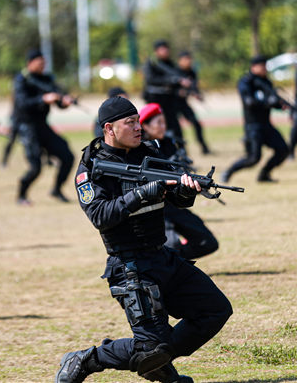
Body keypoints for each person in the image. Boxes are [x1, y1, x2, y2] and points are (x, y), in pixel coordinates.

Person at [55, 97, 231, 383]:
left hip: (163, 256)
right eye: (131, 123)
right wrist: (140, 194)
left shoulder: (149, 152)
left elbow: (177, 198)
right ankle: (89, 358)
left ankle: (156, 362)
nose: (140, 127)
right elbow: (100, 215)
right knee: (151, 346)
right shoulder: (92, 167)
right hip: (130, 267)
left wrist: (187, 191)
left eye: (139, 121)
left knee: (215, 309)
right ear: (109, 129)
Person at [139, 102, 218, 260]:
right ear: (145, 126)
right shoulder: (139, 149)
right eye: (158, 123)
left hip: (175, 205)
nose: (163, 126)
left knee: (208, 242)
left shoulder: (169, 143)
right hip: (156, 209)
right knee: (171, 245)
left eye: (164, 122)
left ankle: (173, 262)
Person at [12, 49, 76, 205]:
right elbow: (22, 103)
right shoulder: (22, 80)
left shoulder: (47, 79)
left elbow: (58, 98)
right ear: (30, 63)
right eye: (39, 63)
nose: (42, 66)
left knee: (67, 156)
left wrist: (64, 102)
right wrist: (42, 99)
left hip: (43, 127)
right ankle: (21, 195)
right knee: (36, 167)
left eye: (44, 63)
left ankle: (56, 189)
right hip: (28, 128)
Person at [222, 55, 290, 184]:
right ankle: (229, 171)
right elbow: (249, 102)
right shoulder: (246, 82)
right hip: (253, 127)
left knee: (283, 150)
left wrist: (280, 105)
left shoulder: (266, 82)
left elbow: (273, 100)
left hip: (267, 125)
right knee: (253, 158)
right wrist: (267, 102)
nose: (264, 68)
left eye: (265, 65)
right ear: (254, 67)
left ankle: (264, 174)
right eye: (262, 65)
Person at [143, 40, 192, 141]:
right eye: (162, 49)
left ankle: (181, 151)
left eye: (166, 49)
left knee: (175, 128)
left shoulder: (170, 64)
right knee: (156, 128)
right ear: (156, 51)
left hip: (169, 101)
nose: (165, 51)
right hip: (155, 100)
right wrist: (172, 80)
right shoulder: (152, 63)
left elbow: (177, 80)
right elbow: (151, 79)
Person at [175, 52, 210, 154]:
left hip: (183, 104)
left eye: (189, 59)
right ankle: (182, 151)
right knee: (177, 129)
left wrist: (198, 95)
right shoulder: (175, 71)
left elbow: (194, 88)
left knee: (196, 124)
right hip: (172, 104)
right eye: (186, 59)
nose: (188, 62)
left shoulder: (191, 72)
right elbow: (174, 90)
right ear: (180, 61)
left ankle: (204, 147)